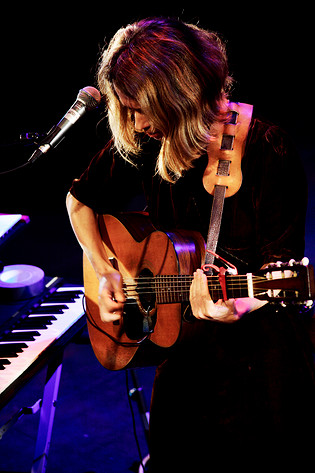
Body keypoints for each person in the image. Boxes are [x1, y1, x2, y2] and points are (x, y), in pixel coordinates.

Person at [66, 17, 315, 471]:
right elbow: (78, 202)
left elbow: (281, 271)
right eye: (128, 109)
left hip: (261, 376)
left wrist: (233, 306)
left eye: (142, 109)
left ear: (179, 99)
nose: (137, 124)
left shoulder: (266, 149)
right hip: (183, 372)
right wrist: (104, 270)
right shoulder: (145, 141)